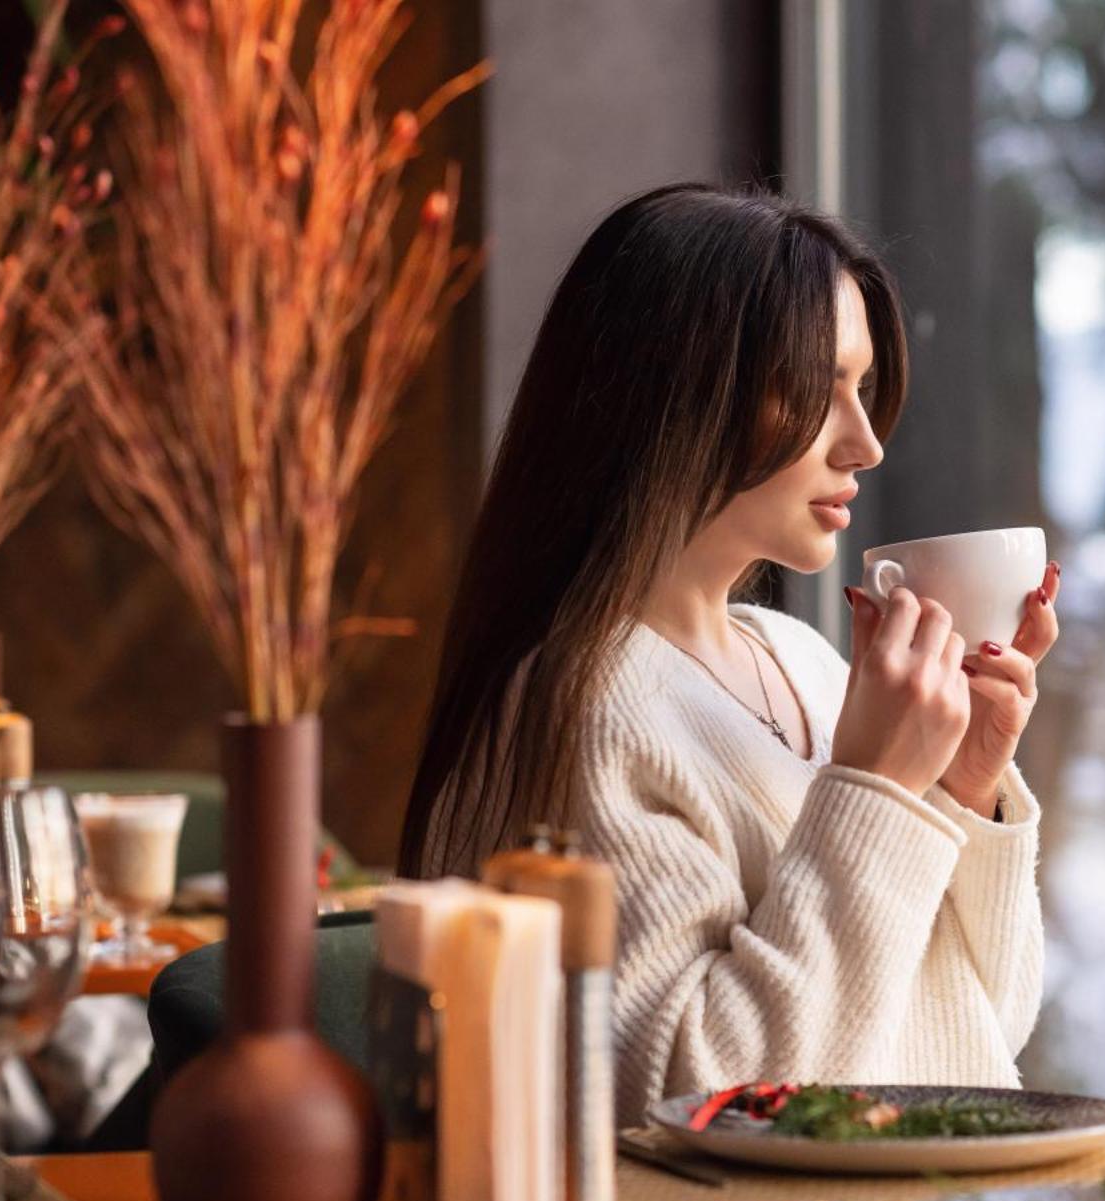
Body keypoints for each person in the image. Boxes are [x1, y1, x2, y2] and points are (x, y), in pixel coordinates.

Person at [400, 183, 1058, 1122]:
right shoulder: (584, 703)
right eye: (813, 387)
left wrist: (965, 787)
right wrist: (875, 790)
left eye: (862, 389)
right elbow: (702, 1099)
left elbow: (983, 1024)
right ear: (677, 389)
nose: (864, 443)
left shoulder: (804, 661)